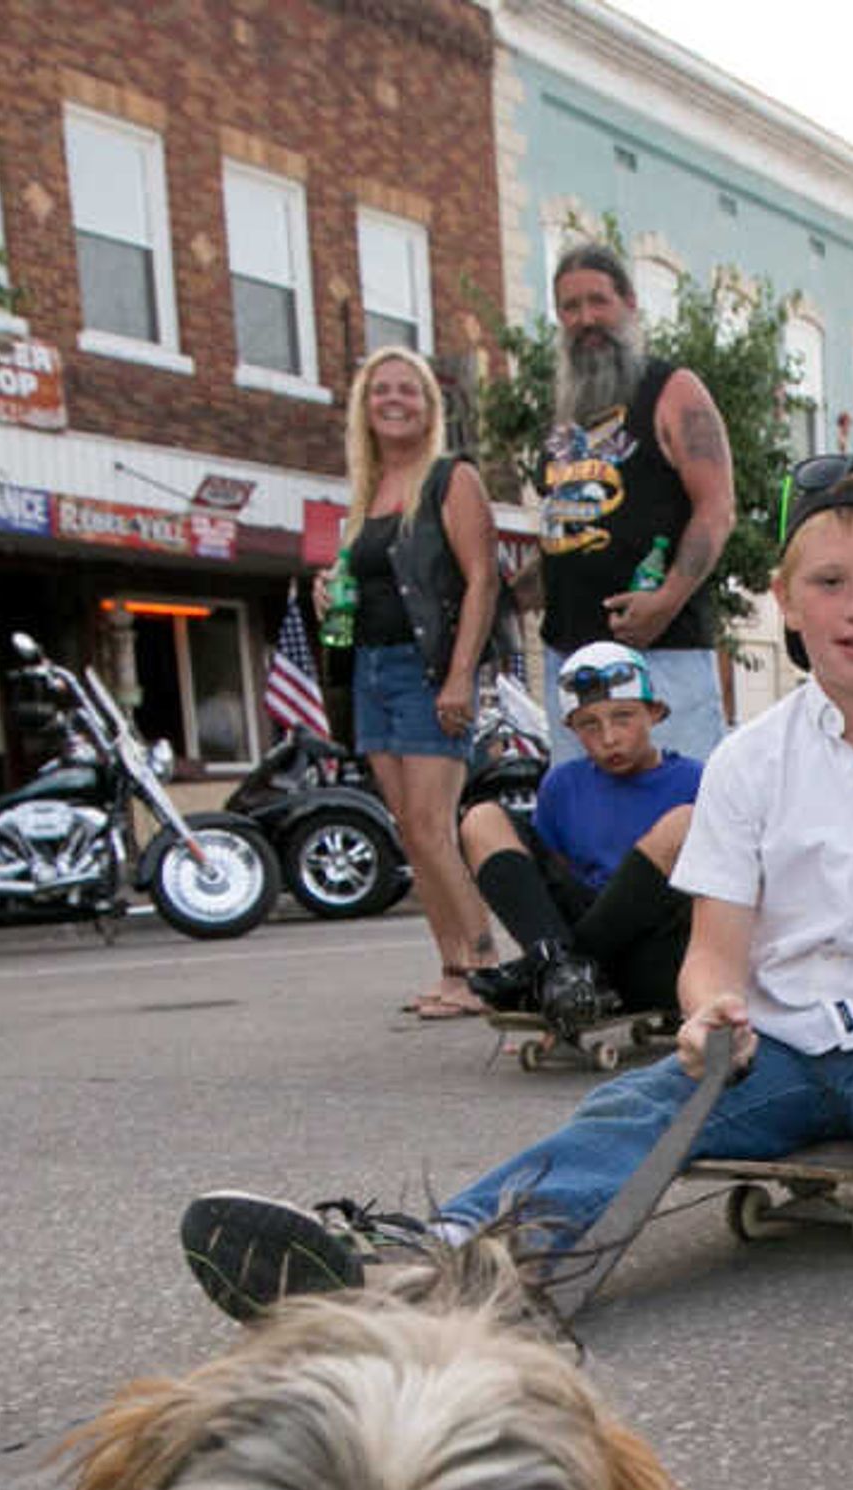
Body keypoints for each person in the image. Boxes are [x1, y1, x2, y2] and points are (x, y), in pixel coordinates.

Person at [181, 457, 853, 1375]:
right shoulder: (747, 764)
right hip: (776, 1043)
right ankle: (424, 1266)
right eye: (831, 580)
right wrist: (708, 1017)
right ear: (787, 599)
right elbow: (712, 959)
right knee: (630, 1114)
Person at [336, 346, 507, 1020]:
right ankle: (450, 967)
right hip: (370, 668)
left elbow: (481, 580)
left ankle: (487, 965)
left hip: (425, 670)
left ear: (430, 404)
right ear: (364, 405)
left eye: (407, 388)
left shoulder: (450, 479)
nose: (394, 399)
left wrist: (459, 675)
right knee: (410, 830)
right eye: (381, 389)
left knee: (436, 827)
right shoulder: (365, 489)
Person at [538, 243, 738, 758]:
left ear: (628, 303)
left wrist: (666, 600)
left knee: (681, 820)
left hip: (659, 656)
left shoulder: (672, 389)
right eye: (570, 307)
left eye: (597, 301)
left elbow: (717, 509)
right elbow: (563, 531)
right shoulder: (563, 410)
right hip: (570, 659)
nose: (585, 319)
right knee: (584, 826)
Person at [454, 641, 701, 1028]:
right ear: (572, 728)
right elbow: (547, 887)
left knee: (684, 821)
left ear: (654, 714)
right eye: (590, 724)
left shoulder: (697, 779)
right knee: (481, 818)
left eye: (623, 718)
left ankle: (550, 971)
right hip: (581, 947)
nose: (609, 738)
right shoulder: (562, 785)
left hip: (663, 947)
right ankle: (557, 968)